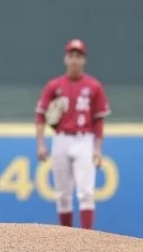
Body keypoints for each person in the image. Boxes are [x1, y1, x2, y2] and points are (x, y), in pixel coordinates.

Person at [35, 38, 110, 230]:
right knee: (62, 195)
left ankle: (86, 239)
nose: (75, 60)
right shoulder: (54, 86)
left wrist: (98, 148)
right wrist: (41, 144)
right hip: (61, 139)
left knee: (86, 193)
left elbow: (99, 120)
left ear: (84, 60)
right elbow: (40, 115)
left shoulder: (94, 86)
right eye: (71, 55)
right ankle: (66, 239)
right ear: (65, 59)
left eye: (78, 56)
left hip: (84, 140)